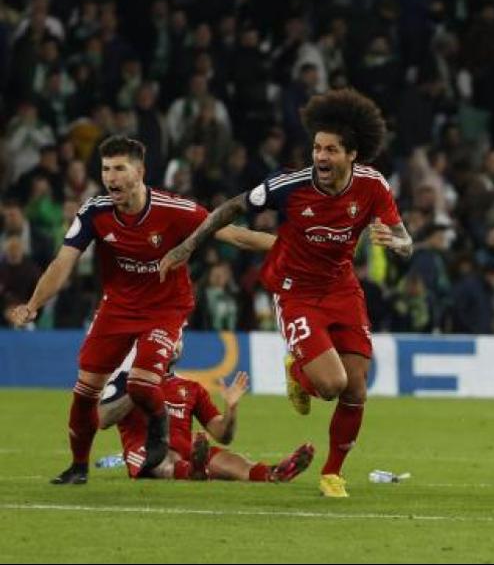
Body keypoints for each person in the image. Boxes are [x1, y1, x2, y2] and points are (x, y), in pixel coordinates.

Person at [158, 89, 414, 499]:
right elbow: (233, 207)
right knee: (331, 384)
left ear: (353, 154)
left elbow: (405, 241)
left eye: (331, 149)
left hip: (343, 288)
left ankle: (332, 473)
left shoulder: (372, 185)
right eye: (317, 148)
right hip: (296, 291)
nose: (321, 157)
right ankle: (297, 370)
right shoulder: (290, 186)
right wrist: (187, 246)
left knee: (357, 389)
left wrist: (397, 244)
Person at [4, 136, 274, 485]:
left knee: (143, 381)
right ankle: (78, 467)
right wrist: (33, 304)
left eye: (119, 168)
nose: (111, 178)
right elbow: (63, 261)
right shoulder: (94, 212)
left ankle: (159, 431)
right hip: (117, 308)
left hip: (166, 309)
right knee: (85, 392)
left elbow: (234, 234)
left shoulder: (176, 210)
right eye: (105, 169)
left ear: (140, 171)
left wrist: (290, 247)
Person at [99, 346, 314, 483]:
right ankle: (193, 469)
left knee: (233, 461)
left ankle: (274, 473)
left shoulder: (191, 388)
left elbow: (223, 434)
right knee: (167, 460)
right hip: (147, 452)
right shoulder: (125, 380)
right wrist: (138, 388)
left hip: (190, 452)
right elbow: (102, 419)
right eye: (170, 338)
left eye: (177, 339)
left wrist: (231, 409)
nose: (174, 344)